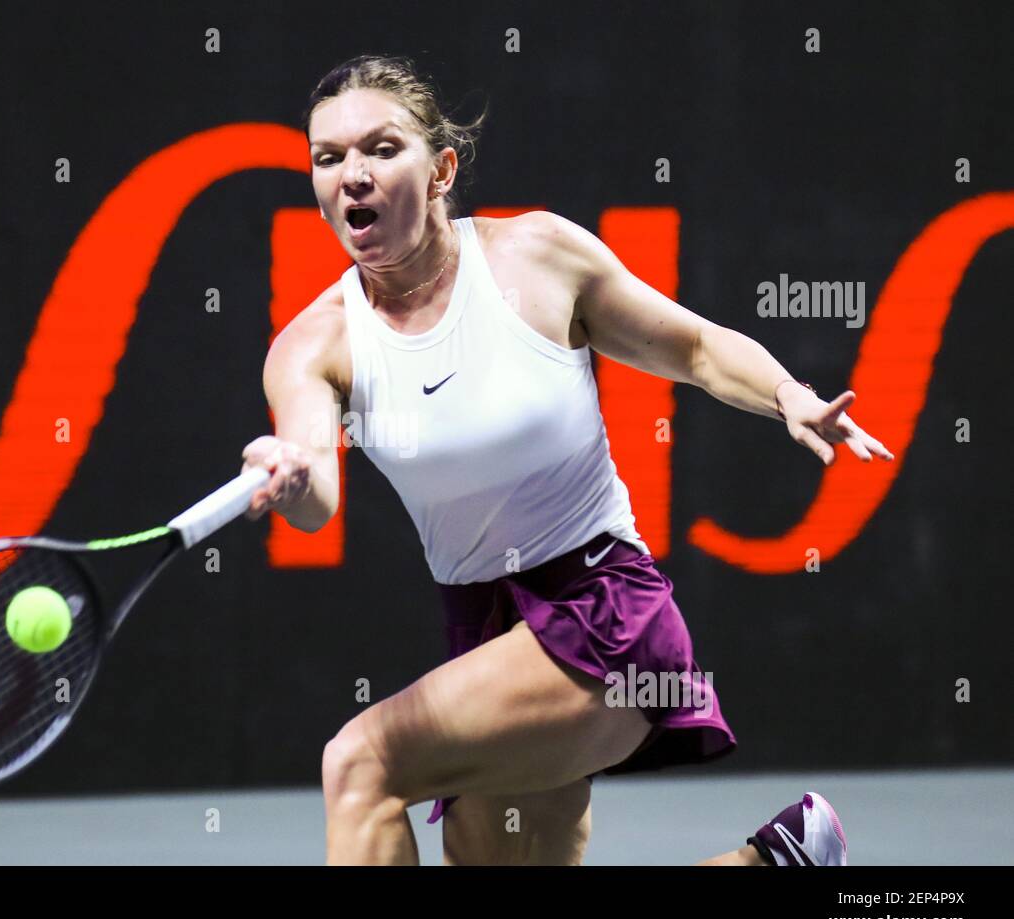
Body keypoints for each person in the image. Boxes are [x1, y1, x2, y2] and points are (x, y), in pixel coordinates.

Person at [240, 54, 889, 865]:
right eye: (329, 159)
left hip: (602, 614)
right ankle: (774, 861)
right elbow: (314, 492)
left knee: (360, 762)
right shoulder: (313, 345)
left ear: (441, 169)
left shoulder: (536, 257)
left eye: (381, 149)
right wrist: (290, 470)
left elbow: (693, 347)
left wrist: (787, 393)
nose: (354, 176)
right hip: (488, 641)